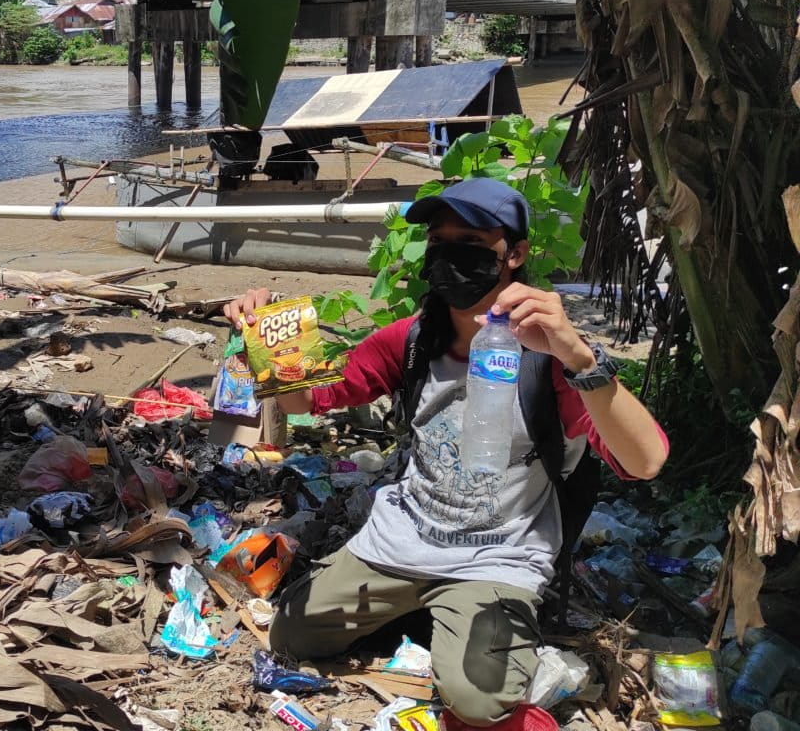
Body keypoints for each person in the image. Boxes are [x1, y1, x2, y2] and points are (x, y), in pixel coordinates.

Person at [222, 178, 668, 731]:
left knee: (478, 705)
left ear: (516, 254)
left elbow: (645, 460)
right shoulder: (410, 341)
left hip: (497, 556)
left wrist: (579, 356)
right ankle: (432, 614)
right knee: (292, 631)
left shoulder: (548, 359)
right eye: (439, 241)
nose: (449, 254)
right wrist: (266, 334)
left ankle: (461, 629)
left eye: (471, 242)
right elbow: (307, 398)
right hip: (403, 538)